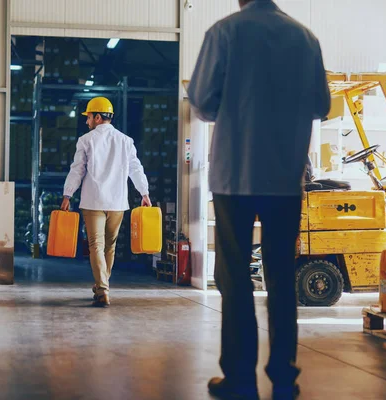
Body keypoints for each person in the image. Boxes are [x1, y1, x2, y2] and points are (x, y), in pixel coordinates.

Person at [187, 0, 331, 399]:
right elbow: (322, 105)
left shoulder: (224, 32)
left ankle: (239, 378)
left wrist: (234, 109)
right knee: (282, 278)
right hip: (286, 177)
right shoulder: (306, 39)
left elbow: (199, 100)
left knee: (235, 279)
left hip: (236, 173)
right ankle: (284, 376)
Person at [61, 97, 152, 307]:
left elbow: (77, 170)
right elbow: (135, 168)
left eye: (89, 117)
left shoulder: (86, 140)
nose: (87, 122)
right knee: (109, 247)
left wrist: (68, 194)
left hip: (93, 200)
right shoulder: (125, 141)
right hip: (118, 201)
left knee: (96, 246)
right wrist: (144, 193)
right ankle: (102, 286)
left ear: (98, 117)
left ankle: (102, 288)